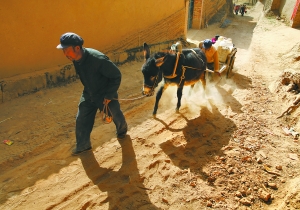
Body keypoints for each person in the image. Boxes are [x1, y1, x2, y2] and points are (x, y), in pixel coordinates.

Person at [56, 32, 128, 155]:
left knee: (115, 114)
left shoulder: (97, 59)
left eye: (66, 50)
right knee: (82, 118)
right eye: (63, 50)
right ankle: (83, 146)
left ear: (77, 48)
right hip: (89, 93)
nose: (65, 54)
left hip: (105, 93)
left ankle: (122, 131)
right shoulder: (75, 58)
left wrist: (109, 95)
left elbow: (116, 75)